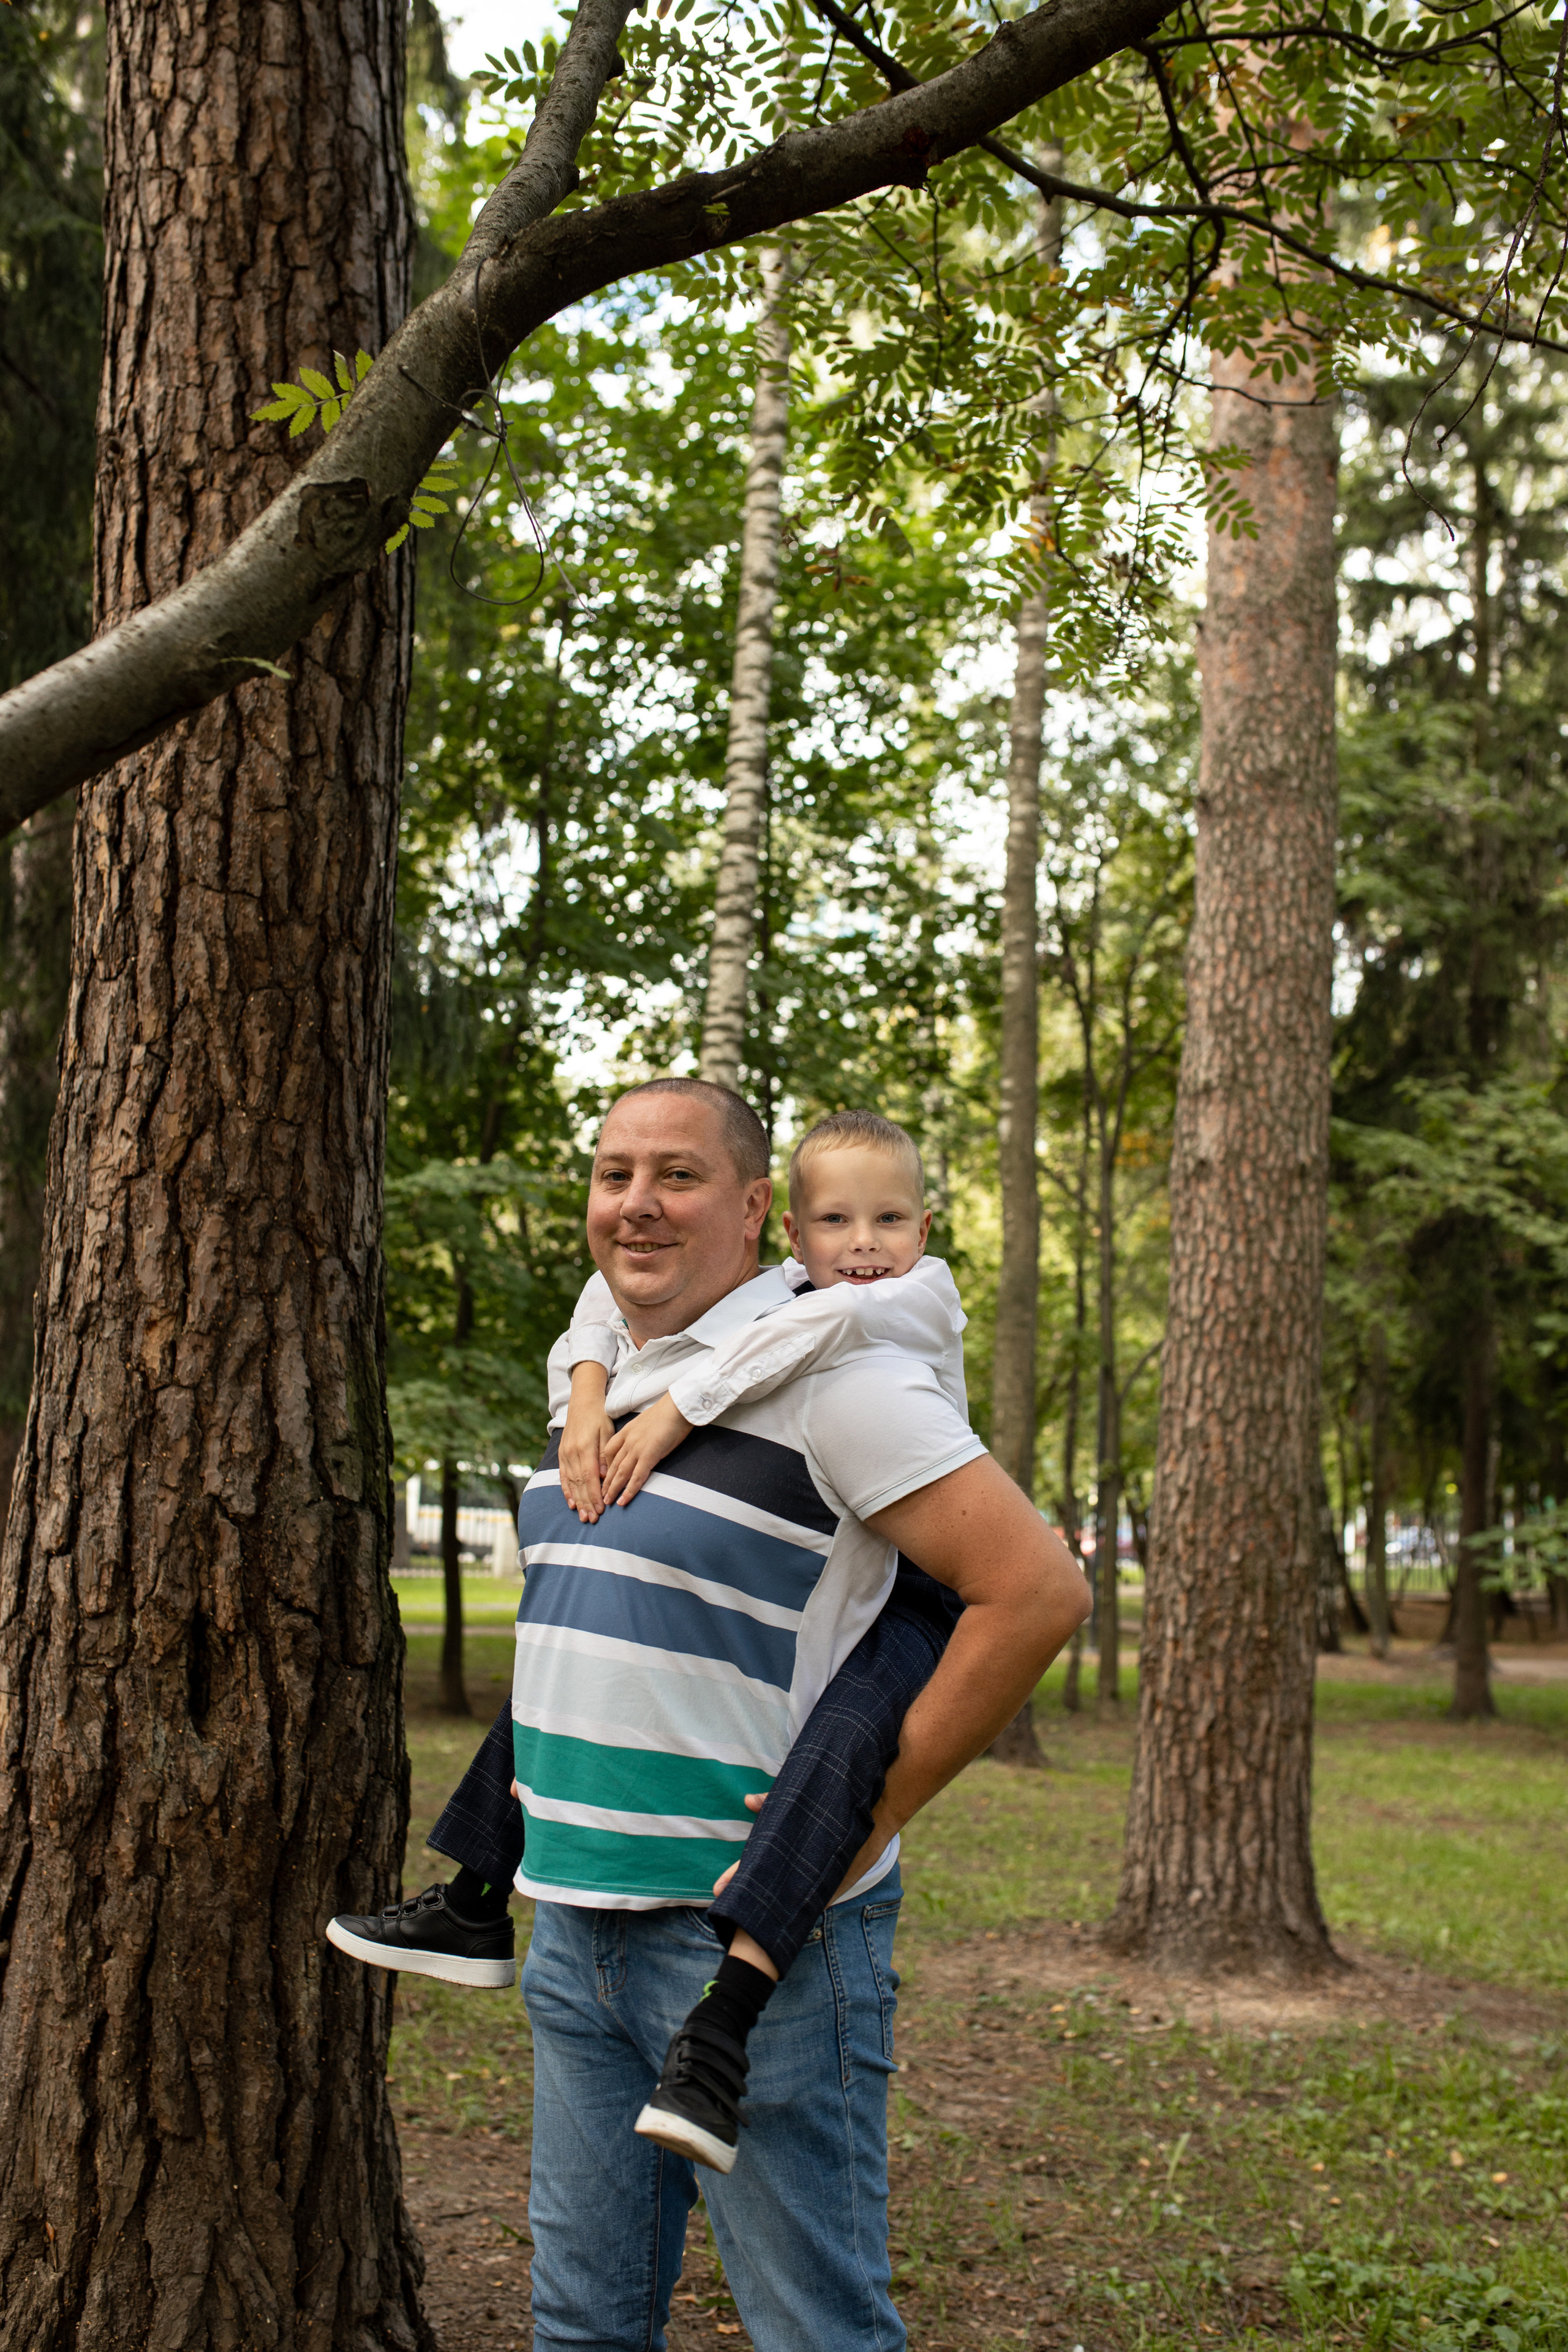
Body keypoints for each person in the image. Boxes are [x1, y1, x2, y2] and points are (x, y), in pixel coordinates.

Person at [330, 1078, 1088, 2351]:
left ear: (755, 1212)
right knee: (582, 2322)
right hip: (573, 1928)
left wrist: (873, 1812)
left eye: (674, 1175)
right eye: (612, 1173)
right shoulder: (616, 1366)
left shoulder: (840, 1368)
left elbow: (1032, 1591)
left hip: (748, 1948)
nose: (636, 1203)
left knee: (811, 2332)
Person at [551, 1107, 973, 2171]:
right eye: (837, 1221)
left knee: (837, 1772)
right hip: (582, 1914)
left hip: (915, 1581)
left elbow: (805, 1337)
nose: (864, 1245)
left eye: (889, 1220)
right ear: (793, 1231)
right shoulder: (746, 1305)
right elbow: (603, 1296)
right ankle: (468, 1895)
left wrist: (673, 1411)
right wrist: (588, 1395)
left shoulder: (890, 1311)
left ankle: (728, 2020)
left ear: (927, 1229)